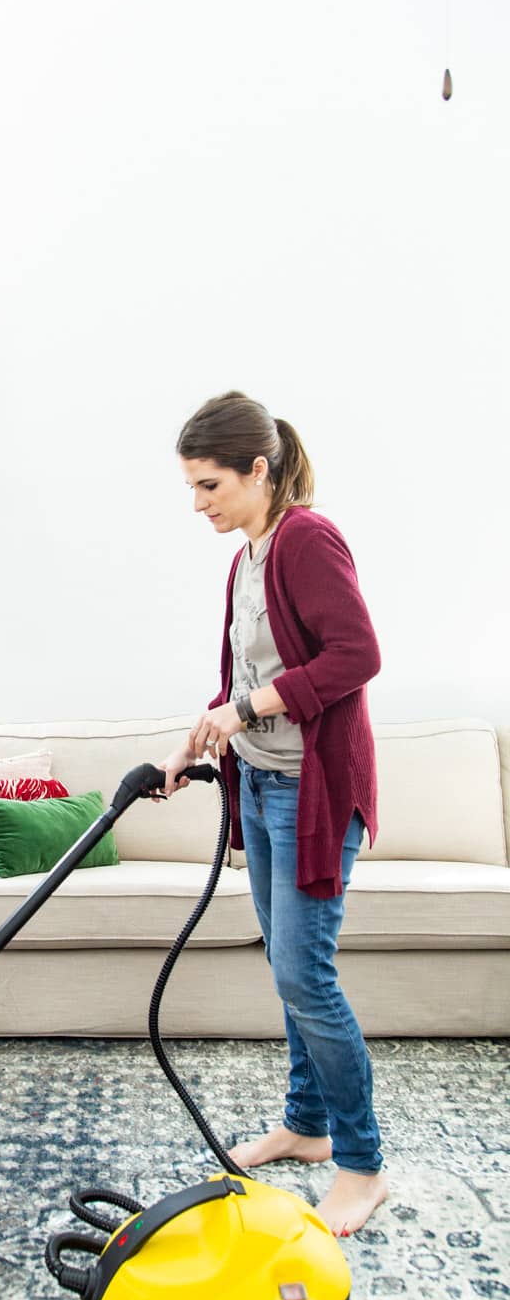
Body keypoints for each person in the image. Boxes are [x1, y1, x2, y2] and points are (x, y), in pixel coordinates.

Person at [158, 390, 388, 1237]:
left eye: (210, 485)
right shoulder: (248, 552)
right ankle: (307, 1125)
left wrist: (248, 710)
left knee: (305, 975)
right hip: (258, 785)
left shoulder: (307, 539)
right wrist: (197, 741)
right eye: (191, 487)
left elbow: (357, 656)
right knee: (285, 965)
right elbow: (241, 678)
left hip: (311, 793)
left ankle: (362, 1168)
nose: (199, 504)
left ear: (260, 469)